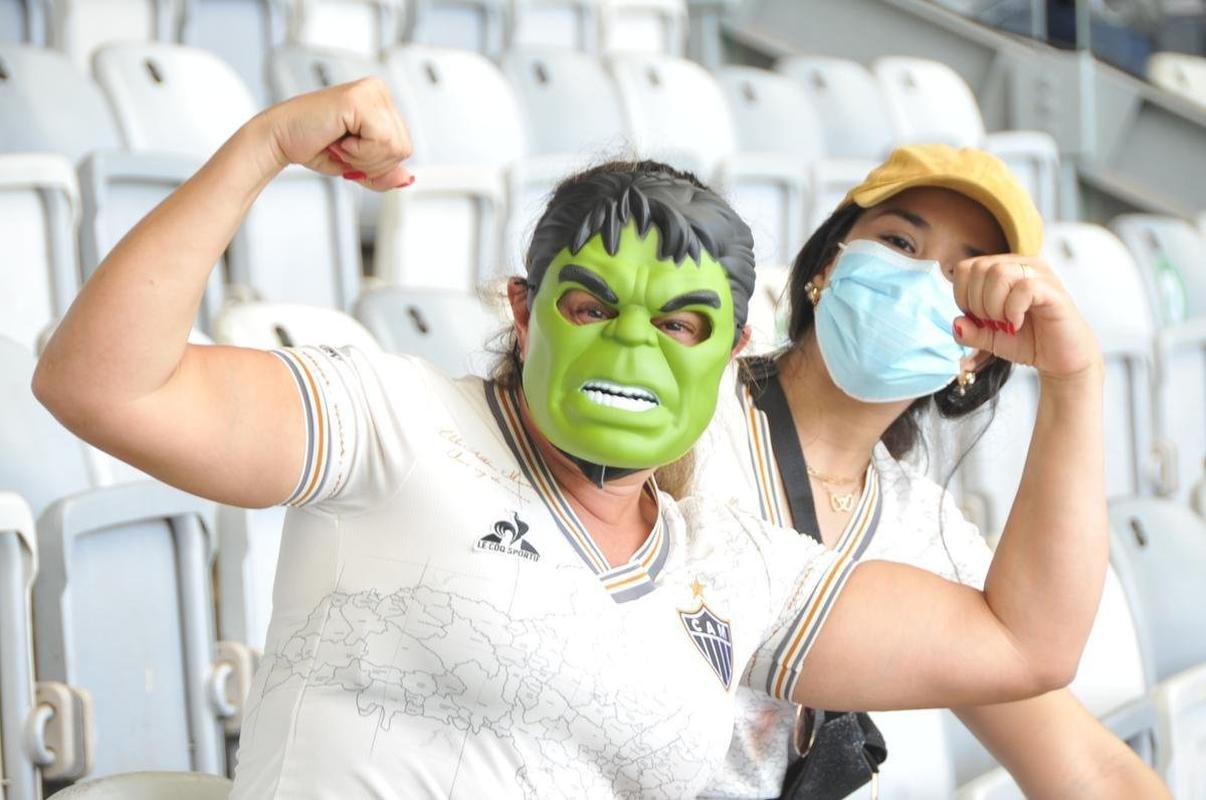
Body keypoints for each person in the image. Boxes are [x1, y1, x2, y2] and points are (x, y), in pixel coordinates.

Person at [33, 81, 1108, 798]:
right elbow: (103, 386)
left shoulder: (735, 568)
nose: (633, 345)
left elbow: (1027, 644)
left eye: (680, 323)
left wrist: (1074, 382)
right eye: (593, 304)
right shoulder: (395, 422)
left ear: (730, 346)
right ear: (525, 306)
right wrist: (265, 144)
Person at [681, 145, 1168, 799]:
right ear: (827, 265)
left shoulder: (922, 528)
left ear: (978, 353)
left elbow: (1088, 767)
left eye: (965, 275)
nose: (919, 280)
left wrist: (1075, 378)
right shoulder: (694, 407)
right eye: (899, 241)